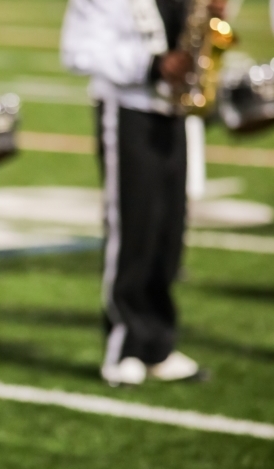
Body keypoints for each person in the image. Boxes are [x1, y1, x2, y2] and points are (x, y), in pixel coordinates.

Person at [60, 0, 226, 385]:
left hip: (175, 110)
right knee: (133, 228)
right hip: (127, 107)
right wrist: (153, 65)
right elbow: (77, 51)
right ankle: (125, 346)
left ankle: (158, 345)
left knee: (169, 231)